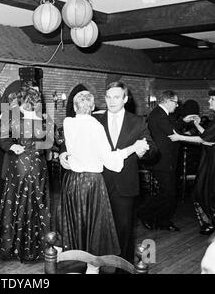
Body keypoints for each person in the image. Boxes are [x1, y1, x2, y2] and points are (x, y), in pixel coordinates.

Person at [58, 91, 149, 273]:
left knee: (76, 225)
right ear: (93, 107)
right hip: (92, 183)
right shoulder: (95, 125)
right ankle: (92, 268)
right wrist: (133, 148)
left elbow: (71, 143)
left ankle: (74, 266)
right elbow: (110, 160)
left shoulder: (68, 122)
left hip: (73, 182)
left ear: (74, 107)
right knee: (94, 229)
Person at [94, 81, 156, 263]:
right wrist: (65, 152)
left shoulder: (137, 121)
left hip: (125, 185)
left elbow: (153, 149)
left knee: (124, 231)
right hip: (98, 183)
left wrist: (145, 152)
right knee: (98, 230)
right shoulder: (95, 120)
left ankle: (123, 268)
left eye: (117, 97)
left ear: (125, 99)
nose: (112, 101)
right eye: (109, 97)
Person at [0, 87, 52, 263]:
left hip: (29, 166)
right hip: (29, 165)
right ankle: (34, 245)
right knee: (33, 200)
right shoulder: (39, 120)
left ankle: (15, 245)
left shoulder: (35, 119)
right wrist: (10, 145)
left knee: (21, 201)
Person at [169, 89, 215, 235]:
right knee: (204, 191)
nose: (209, 101)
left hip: (214, 161)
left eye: (212, 99)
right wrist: (197, 124)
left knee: (205, 192)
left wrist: (180, 137)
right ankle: (211, 223)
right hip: (211, 159)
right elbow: (208, 135)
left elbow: (205, 140)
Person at [138, 91, 181, 231]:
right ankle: (145, 213)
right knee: (167, 193)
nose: (177, 104)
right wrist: (183, 122)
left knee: (168, 193)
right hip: (162, 161)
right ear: (168, 101)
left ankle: (161, 220)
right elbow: (173, 132)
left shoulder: (160, 114)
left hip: (164, 160)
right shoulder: (159, 115)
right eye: (175, 102)